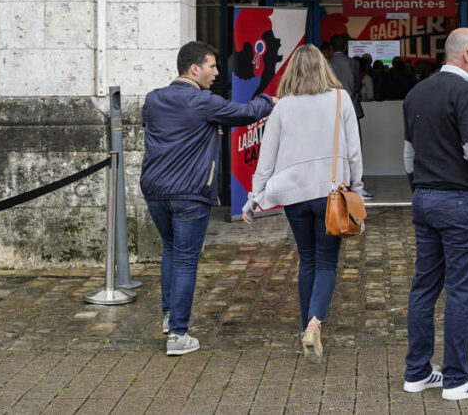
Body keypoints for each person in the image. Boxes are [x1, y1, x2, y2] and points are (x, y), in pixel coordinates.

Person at [140, 41, 275, 356]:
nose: (217, 73)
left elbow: (166, 132)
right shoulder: (201, 101)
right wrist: (271, 99)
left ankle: (169, 317)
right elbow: (246, 112)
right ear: (194, 69)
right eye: (213, 66)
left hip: (155, 192)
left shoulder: (153, 99)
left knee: (171, 251)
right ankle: (178, 335)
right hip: (189, 193)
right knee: (186, 259)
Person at [241, 44, 363, 364]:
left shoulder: (283, 107)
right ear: (324, 68)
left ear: (291, 70)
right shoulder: (340, 99)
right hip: (331, 194)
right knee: (326, 263)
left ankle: (305, 331)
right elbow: (353, 152)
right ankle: (314, 324)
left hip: (294, 197)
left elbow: (266, 159)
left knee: (306, 259)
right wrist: (358, 190)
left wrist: (254, 198)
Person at [402, 28, 468, 401]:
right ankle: (457, 379)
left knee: (423, 287)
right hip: (459, 203)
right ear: (467, 56)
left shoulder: (416, 92)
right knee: (461, 292)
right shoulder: (467, 93)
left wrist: (423, 190)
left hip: (424, 199)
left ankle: (418, 372)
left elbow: (408, 156)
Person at [327, 34, 371, 200]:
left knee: (333, 148)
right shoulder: (353, 63)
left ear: (331, 48)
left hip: (330, 112)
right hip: (352, 109)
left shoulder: (326, 63)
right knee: (355, 148)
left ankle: (335, 184)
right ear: (345, 47)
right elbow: (357, 87)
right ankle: (356, 185)